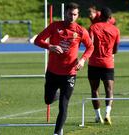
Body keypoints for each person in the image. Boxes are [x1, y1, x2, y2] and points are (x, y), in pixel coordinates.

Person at [34, 2, 94, 135]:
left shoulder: (80, 31)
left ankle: (57, 132)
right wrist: (50, 46)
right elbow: (37, 40)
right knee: (48, 100)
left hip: (69, 73)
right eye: (70, 14)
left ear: (78, 15)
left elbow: (90, 47)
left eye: (75, 14)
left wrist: (83, 60)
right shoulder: (55, 26)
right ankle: (58, 94)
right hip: (52, 72)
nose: (72, 17)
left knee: (64, 105)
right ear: (65, 13)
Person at [88, 7, 120, 125]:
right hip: (108, 63)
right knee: (109, 89)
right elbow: (115, 50)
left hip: (94, 63)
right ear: (110, 18)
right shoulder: (115, 30)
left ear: (100, 16)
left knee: (94, 90)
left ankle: (98, 116)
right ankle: (107, 113)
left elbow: (89, 44)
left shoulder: (92, 27)